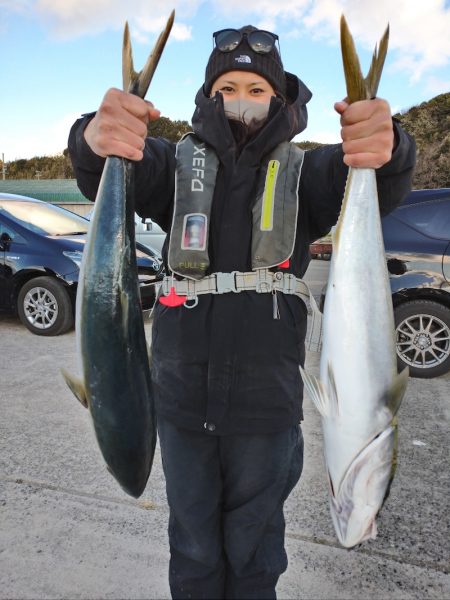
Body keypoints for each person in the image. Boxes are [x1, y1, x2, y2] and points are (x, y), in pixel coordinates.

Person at [68, 25, 416, 599]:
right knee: (195, 549)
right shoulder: (170, 165)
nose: (241, 98)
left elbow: (384, 179)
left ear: (278, 99)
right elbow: (96, 167)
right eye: (227, 86)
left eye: (256, 88)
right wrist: (93, 136)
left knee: (255, 552)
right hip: (179, 405)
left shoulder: (313, 174)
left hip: (267, 410)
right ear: (208, 96)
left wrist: (391, 145)